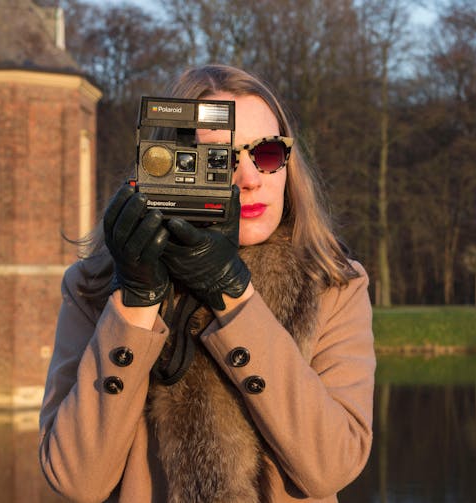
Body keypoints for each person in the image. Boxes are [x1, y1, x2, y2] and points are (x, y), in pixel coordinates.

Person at [38, 64, 375, 502]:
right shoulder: (96, 286)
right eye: (221, 160)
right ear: (166, 166)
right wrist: (136, 304)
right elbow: (76, 480)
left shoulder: (331, 282)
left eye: (268, 154)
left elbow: (331, 467)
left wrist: (233, 294)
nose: (250, 179)